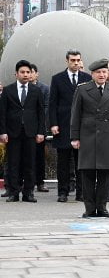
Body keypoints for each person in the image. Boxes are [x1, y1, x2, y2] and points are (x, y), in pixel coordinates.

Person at [70, 58, 109, 218]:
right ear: (92, 74)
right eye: (98, 72)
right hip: (87, 135)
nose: (102, 75)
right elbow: (75, 115)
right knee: (87, 173)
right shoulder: (82, 89)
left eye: (104, 72)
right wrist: (74, 137)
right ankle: (89, 208)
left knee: (105, 174)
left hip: (108, 136)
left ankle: (102, 207)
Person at [0, 60, 46, 202]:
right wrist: (3, 132)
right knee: (13, 163)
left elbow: (41, 113)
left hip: (31, 133)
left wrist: (41, 132)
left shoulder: (36, 90)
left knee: (30, 163)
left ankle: (28, 193)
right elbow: (2, 113)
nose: (25, 75)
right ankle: (14, 192)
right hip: (13, 132)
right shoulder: (8, 90)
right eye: (22, 72)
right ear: (16, 74)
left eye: (28, 72)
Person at [49, 49, 92, 202]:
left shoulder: (87, 78)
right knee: (63, 162)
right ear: (67, 61)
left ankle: (81, 192)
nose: (75, 63)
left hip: (83, 126)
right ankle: (63, 192)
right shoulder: (57, 79)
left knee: (82, 161)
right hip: (63, 125)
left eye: (78, 60)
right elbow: (52, 103)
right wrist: (53, 123)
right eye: (72, 60)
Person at [30, 63, 50, 193]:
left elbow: (47, 106)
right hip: (24, 127)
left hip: (39, 127)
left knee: (39, 156)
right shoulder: (20, 88)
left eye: (32, 72)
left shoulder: (44, 88)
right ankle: (23, 182)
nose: (29, 75)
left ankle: (40, 182)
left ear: (37, 74)